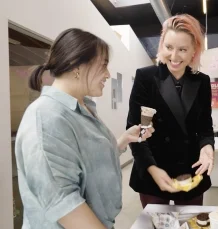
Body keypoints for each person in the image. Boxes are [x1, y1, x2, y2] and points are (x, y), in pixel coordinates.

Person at [15, 28, 154, 229]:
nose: (108, 74)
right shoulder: (46, 117)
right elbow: (65, 205)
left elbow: (87, 161)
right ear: (76, 66)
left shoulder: (82, 107)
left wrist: (123, 140)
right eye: (104, 65)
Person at [126, 14, 215, 208]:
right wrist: (151, 168)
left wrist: (207, 147)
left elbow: (205, 127)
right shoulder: (145, 78)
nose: (174, 57)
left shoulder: (202, 82)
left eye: (182, 49)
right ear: (161, 46)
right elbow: (135, 131)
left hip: (190, 172)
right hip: (153, 170)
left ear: (194, 51)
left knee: (190, 223)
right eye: (169, 47)